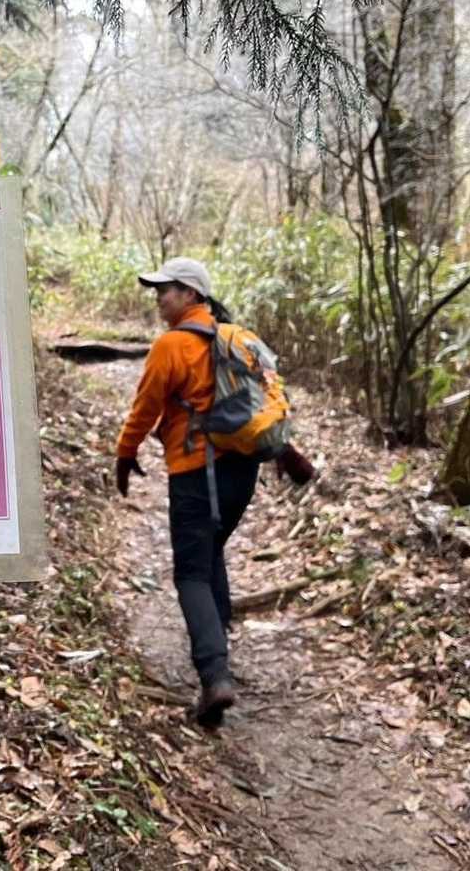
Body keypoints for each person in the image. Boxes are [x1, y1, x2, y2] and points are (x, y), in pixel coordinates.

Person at [114, 256, 313, 728]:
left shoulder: (172, 345)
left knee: (190, 572)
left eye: (166, 289)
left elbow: (145, 407)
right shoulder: (236, 339)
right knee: (211, 548)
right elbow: (260, 399)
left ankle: (214, 676)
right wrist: (285, 451)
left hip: (194, 474)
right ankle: (218, 633)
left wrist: (125, 453)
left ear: (191, 294)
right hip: (241, 472)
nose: (159, 298)